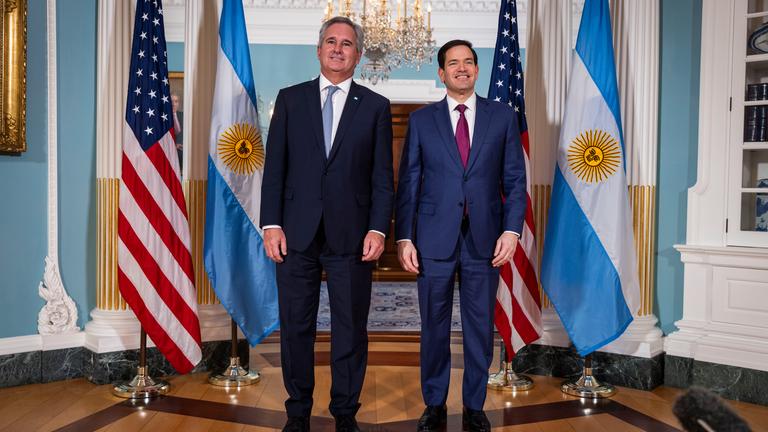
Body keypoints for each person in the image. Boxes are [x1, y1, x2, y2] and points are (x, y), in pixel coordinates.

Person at [260, 16, 394, 432]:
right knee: (296, 328)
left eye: (347, 44)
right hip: (294, 234)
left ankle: (345, 413)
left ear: (357, 55)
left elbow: (382, 179)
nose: (338, 49)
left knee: (350, 329)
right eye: (331, 42)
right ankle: (297, 412)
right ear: (318, 50)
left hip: (352, 238)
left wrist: (377, 228)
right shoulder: (290, 99)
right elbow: (275, 170)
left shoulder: (375, 106)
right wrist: (271, 225)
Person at [395, 40, 526, 432]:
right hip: (433, 240)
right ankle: (434, 404)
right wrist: (404, 238)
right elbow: (410, 184)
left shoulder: (501, 117)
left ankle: (473, 405)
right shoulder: (421, 121)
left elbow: (515, 181)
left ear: (477, 69)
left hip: (485, 242)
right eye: (454, 63)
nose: (462, 68)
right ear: (442, 73)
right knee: (433, 327)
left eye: (469, 62)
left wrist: (511, 230)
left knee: (479, 327)